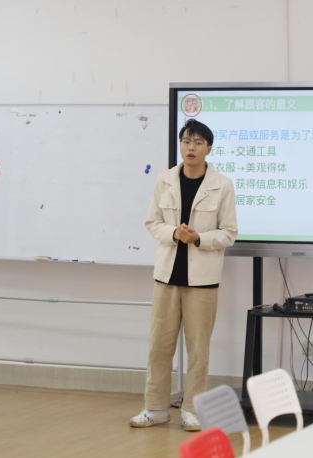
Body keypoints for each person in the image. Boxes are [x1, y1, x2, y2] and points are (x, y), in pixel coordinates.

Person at [130, 119, 238, 432]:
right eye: (186, 141)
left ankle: (192, 410)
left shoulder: (222, 185)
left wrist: (199, 238)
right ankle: (155, 409)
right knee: (159, 346)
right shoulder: (164, 180)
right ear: (180, 145)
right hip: (166, 277)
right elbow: (152, 223)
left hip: (202, 281)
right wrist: (174, 233)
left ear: (209, 148)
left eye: (198, 142)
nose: (191, 147)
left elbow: (229, 233)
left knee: (199, 350)